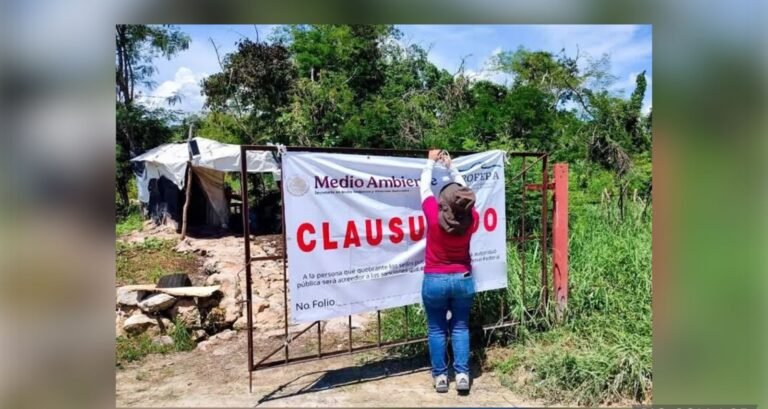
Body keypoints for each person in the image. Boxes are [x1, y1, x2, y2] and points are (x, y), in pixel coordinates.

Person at [419, 149, 479, 393]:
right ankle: (462, 375)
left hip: (434, 279)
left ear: (443, 202)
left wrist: (430, 163)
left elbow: (424, 188)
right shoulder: (471, 219)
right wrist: (452, 168)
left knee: (436, 329)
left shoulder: (434, 217)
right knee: (460, 326)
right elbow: (466, 197)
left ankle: (441, 377)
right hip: (463, 278)